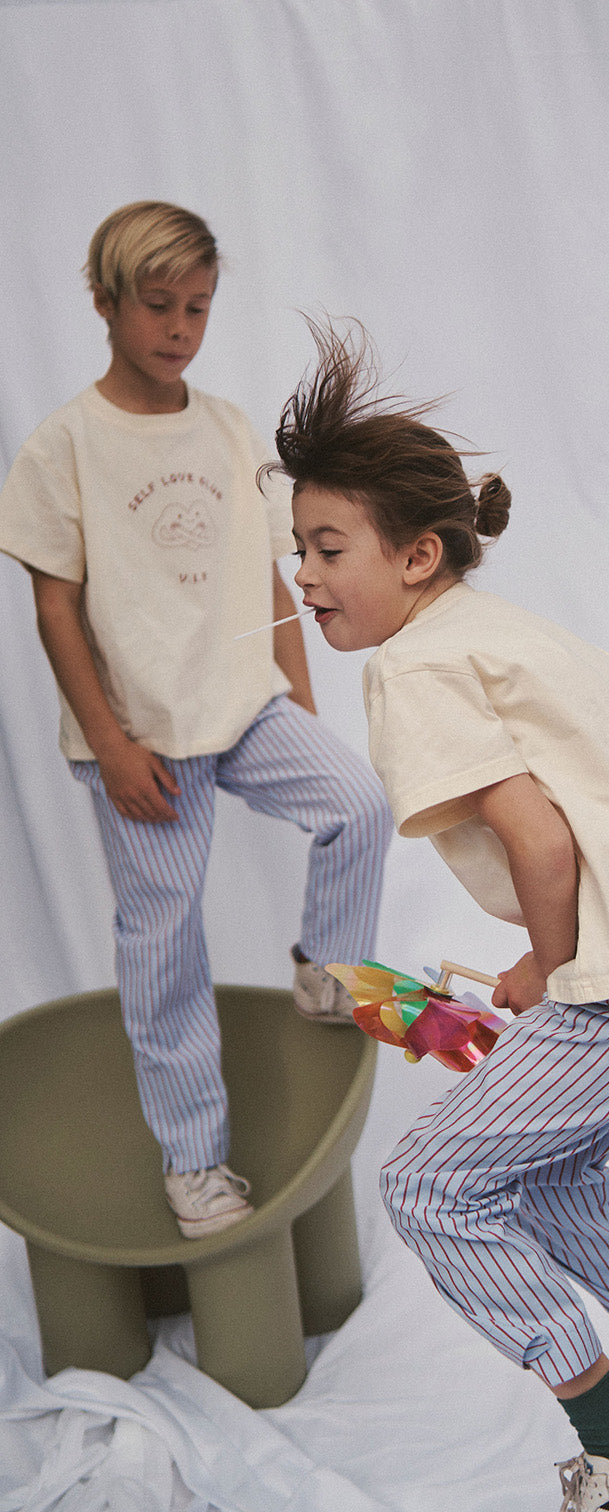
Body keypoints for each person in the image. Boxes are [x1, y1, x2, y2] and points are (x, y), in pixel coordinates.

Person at [274, 323, 609, 1512]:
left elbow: (537, 833)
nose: (306, 575)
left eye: (328, 550)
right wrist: (544, 961)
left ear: (416, 553)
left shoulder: (417, 664)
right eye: (298, 550)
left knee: (432, 1183)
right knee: (542, 1161)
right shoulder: (506, 632)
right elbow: (582, 816)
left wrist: (552, 968)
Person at [0, 205, 391, 1239]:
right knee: (164, 945)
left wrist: (300, 700)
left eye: (199, 308)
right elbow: (53, 607)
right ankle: (194, 1166)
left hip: (244, 706)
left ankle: (325, 970)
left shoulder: (223, 426)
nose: (180, 327)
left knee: (357, 800)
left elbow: (273, 573)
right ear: (105, 304)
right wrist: (113, 745)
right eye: (160, 306)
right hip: (144, 740)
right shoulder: (64, 447)